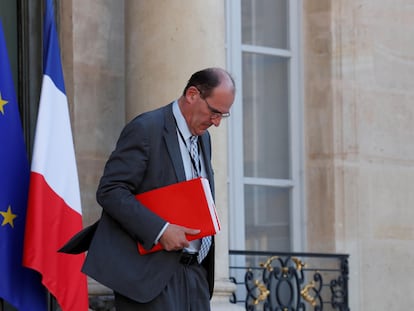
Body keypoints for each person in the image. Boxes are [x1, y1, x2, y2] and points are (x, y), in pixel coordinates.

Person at [82, 67, 236, 310]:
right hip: (151, 278)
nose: (216, 123)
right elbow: (111, 190)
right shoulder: (146, 128)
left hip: (195, 276)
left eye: (222, 116)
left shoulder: (203, 137)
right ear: (192, 94)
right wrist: (160, 230)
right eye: (214, 112)